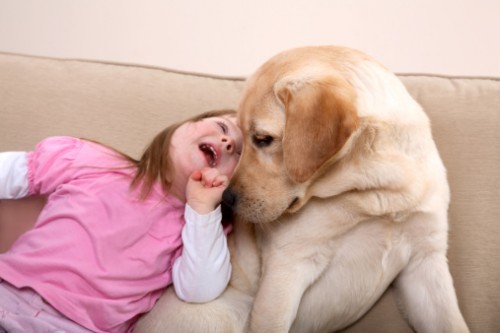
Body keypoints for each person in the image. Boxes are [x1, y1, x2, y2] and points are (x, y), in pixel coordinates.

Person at [0, 109, 243, 333]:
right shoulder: (94, 160)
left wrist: (202, 208)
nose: (228, 142)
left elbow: (199, 290)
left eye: (241, 154)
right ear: (182, 125)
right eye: (222, 127)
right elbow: (9, 172)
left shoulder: (197, 227)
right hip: (8, 290)